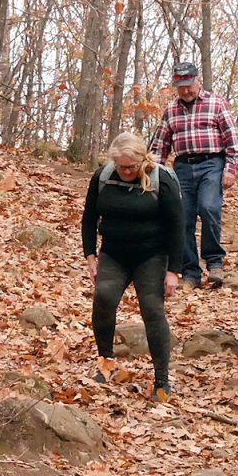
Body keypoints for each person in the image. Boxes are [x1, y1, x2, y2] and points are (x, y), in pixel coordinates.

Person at [82, 132, 184, 399]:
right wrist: (90, 257)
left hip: (151, 255)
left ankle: (162, 379)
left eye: (131, 166)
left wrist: (174, 271)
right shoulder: (102, 177)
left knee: (151, 308)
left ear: (142, 160)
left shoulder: (161, 180)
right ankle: (105, 363)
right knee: (103, 297)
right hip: (114, 253)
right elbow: (89, 218)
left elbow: (177, 228)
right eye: (121, 166)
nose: (126, 171)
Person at [150, 61, 238, 289]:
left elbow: (233, 140)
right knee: (182, 218)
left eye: (189, 85)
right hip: (182, 167)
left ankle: (214, 262)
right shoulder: (171, 110)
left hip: (212, 163)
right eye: (181, 87)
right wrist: (151, 173)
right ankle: (190, 271)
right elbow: (160, 146)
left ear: (197, 81)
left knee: (209, 207)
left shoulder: (216, 103)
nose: (186, 91)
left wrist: (230, 169)